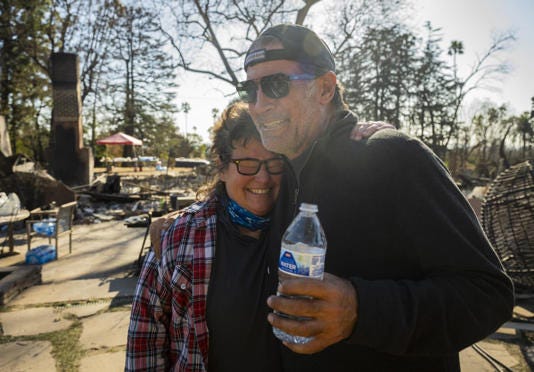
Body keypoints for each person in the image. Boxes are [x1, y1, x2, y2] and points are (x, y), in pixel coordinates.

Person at [238, 24, 514, 371]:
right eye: (249, 89)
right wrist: (174, 223)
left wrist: (360, 311)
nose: (259, 104)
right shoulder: (281, 173)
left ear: (324, 88)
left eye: (275, 85)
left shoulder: (393, 157)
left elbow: (487, 294)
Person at [125, 102, 390, 371]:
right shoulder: (181, 238)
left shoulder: (302, 229)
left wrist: (372, 140)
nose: (263, 178)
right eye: (247, 164)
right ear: (222, 166)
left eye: (274, 164)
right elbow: (145, 339)